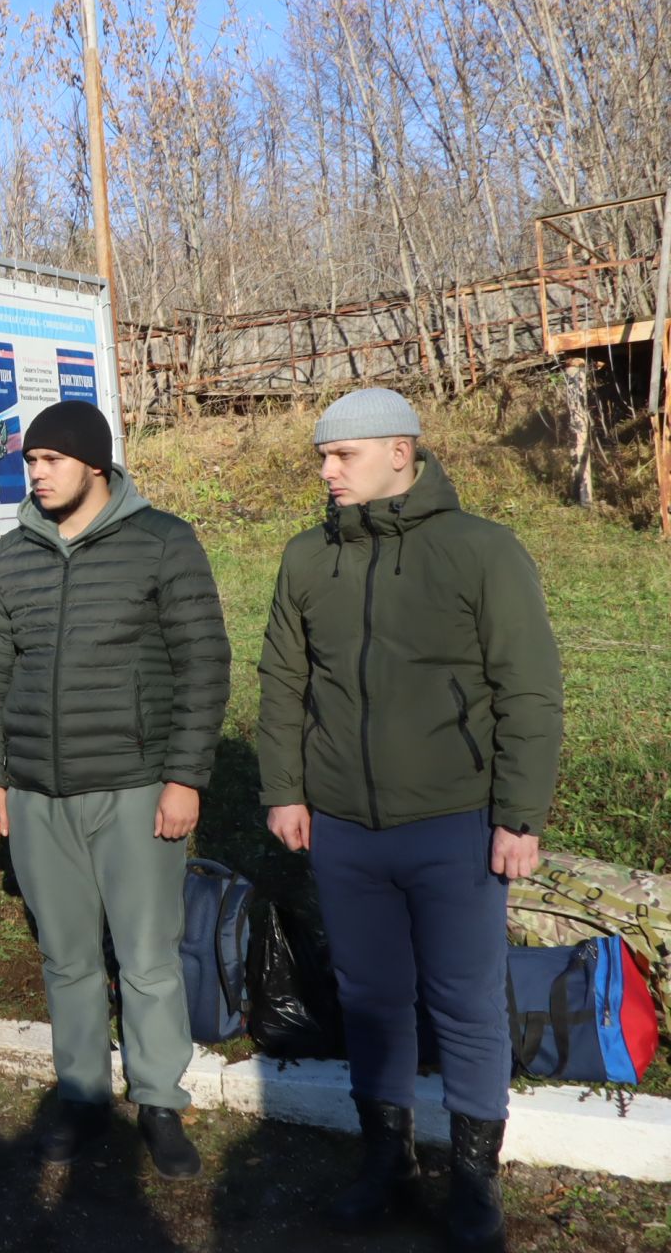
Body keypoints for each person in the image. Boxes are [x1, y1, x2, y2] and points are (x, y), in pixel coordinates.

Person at [258, 389, 563, 1252]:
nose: (325, 472)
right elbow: (282, 682)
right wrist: (284, 788)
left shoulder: (482, 552)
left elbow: (529, 690)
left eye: (339, 457)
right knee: (370, 998)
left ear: (400, 451)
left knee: (465, 1001)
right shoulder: (307, 559)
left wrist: (519, 815)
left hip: (456, 824)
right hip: (345, 831)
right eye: (321, 457)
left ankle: (473, 1178)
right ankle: (384, 1158)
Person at [0, 401, 230, 1178]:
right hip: (39, 793)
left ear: (93, 463)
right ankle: (80, 1094)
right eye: (31, 462)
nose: (38, 473)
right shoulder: (12, 556)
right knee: (68, 958)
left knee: (148, 957)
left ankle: (158, 1101)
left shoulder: (162, 542)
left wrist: (185, 778)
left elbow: (203, 664)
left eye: (51, 459)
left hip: (136, 784)